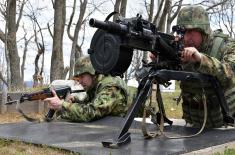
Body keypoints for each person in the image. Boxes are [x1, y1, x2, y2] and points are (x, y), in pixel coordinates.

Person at [176, 5, 235, 128]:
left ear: (204, 31)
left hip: (226, 127)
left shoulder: (227, 45)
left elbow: (230, 73)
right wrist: (161, 59)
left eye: (191, 32)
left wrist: (201, 59)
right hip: (194, 126)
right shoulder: (181, 47)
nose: (187, 38)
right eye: (184, 32)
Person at [44, 56, 130, 122]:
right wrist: (75, 101)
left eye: (82, 76)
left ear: (92, 73)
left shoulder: (110, 87)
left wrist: (62, 105)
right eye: (78, 77)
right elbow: (90, 103)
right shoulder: (95, 85)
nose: (80, 81)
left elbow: (92, 112)